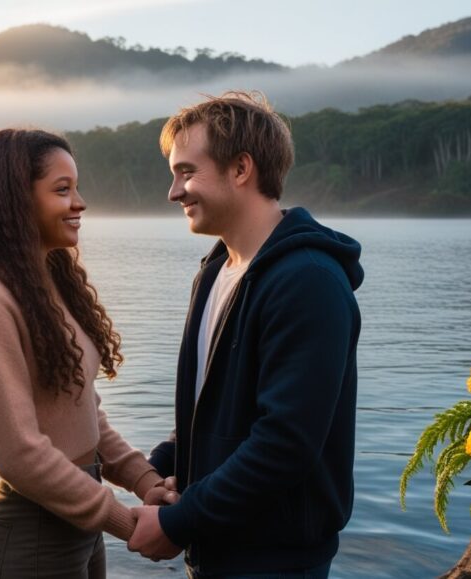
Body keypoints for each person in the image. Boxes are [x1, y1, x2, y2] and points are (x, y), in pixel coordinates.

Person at [0, 128, 169, 578]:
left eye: (76, 187)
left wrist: (145, 482)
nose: (80, 203)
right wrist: (125, 521)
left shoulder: (44, 285)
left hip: (79, 526)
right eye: (62, 190)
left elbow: (82, 410)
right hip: (33, 538)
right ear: (15, 199)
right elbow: (18, 454)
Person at [128, 92, 363, 578]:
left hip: (274, 562)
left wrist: (177, 523)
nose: (174, 192)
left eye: (187, 172)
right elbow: (214, 405)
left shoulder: (308, 279)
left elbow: (285, 443)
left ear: (241, 169)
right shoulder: (216, 270)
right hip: (216, 548)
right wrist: (165, 466)